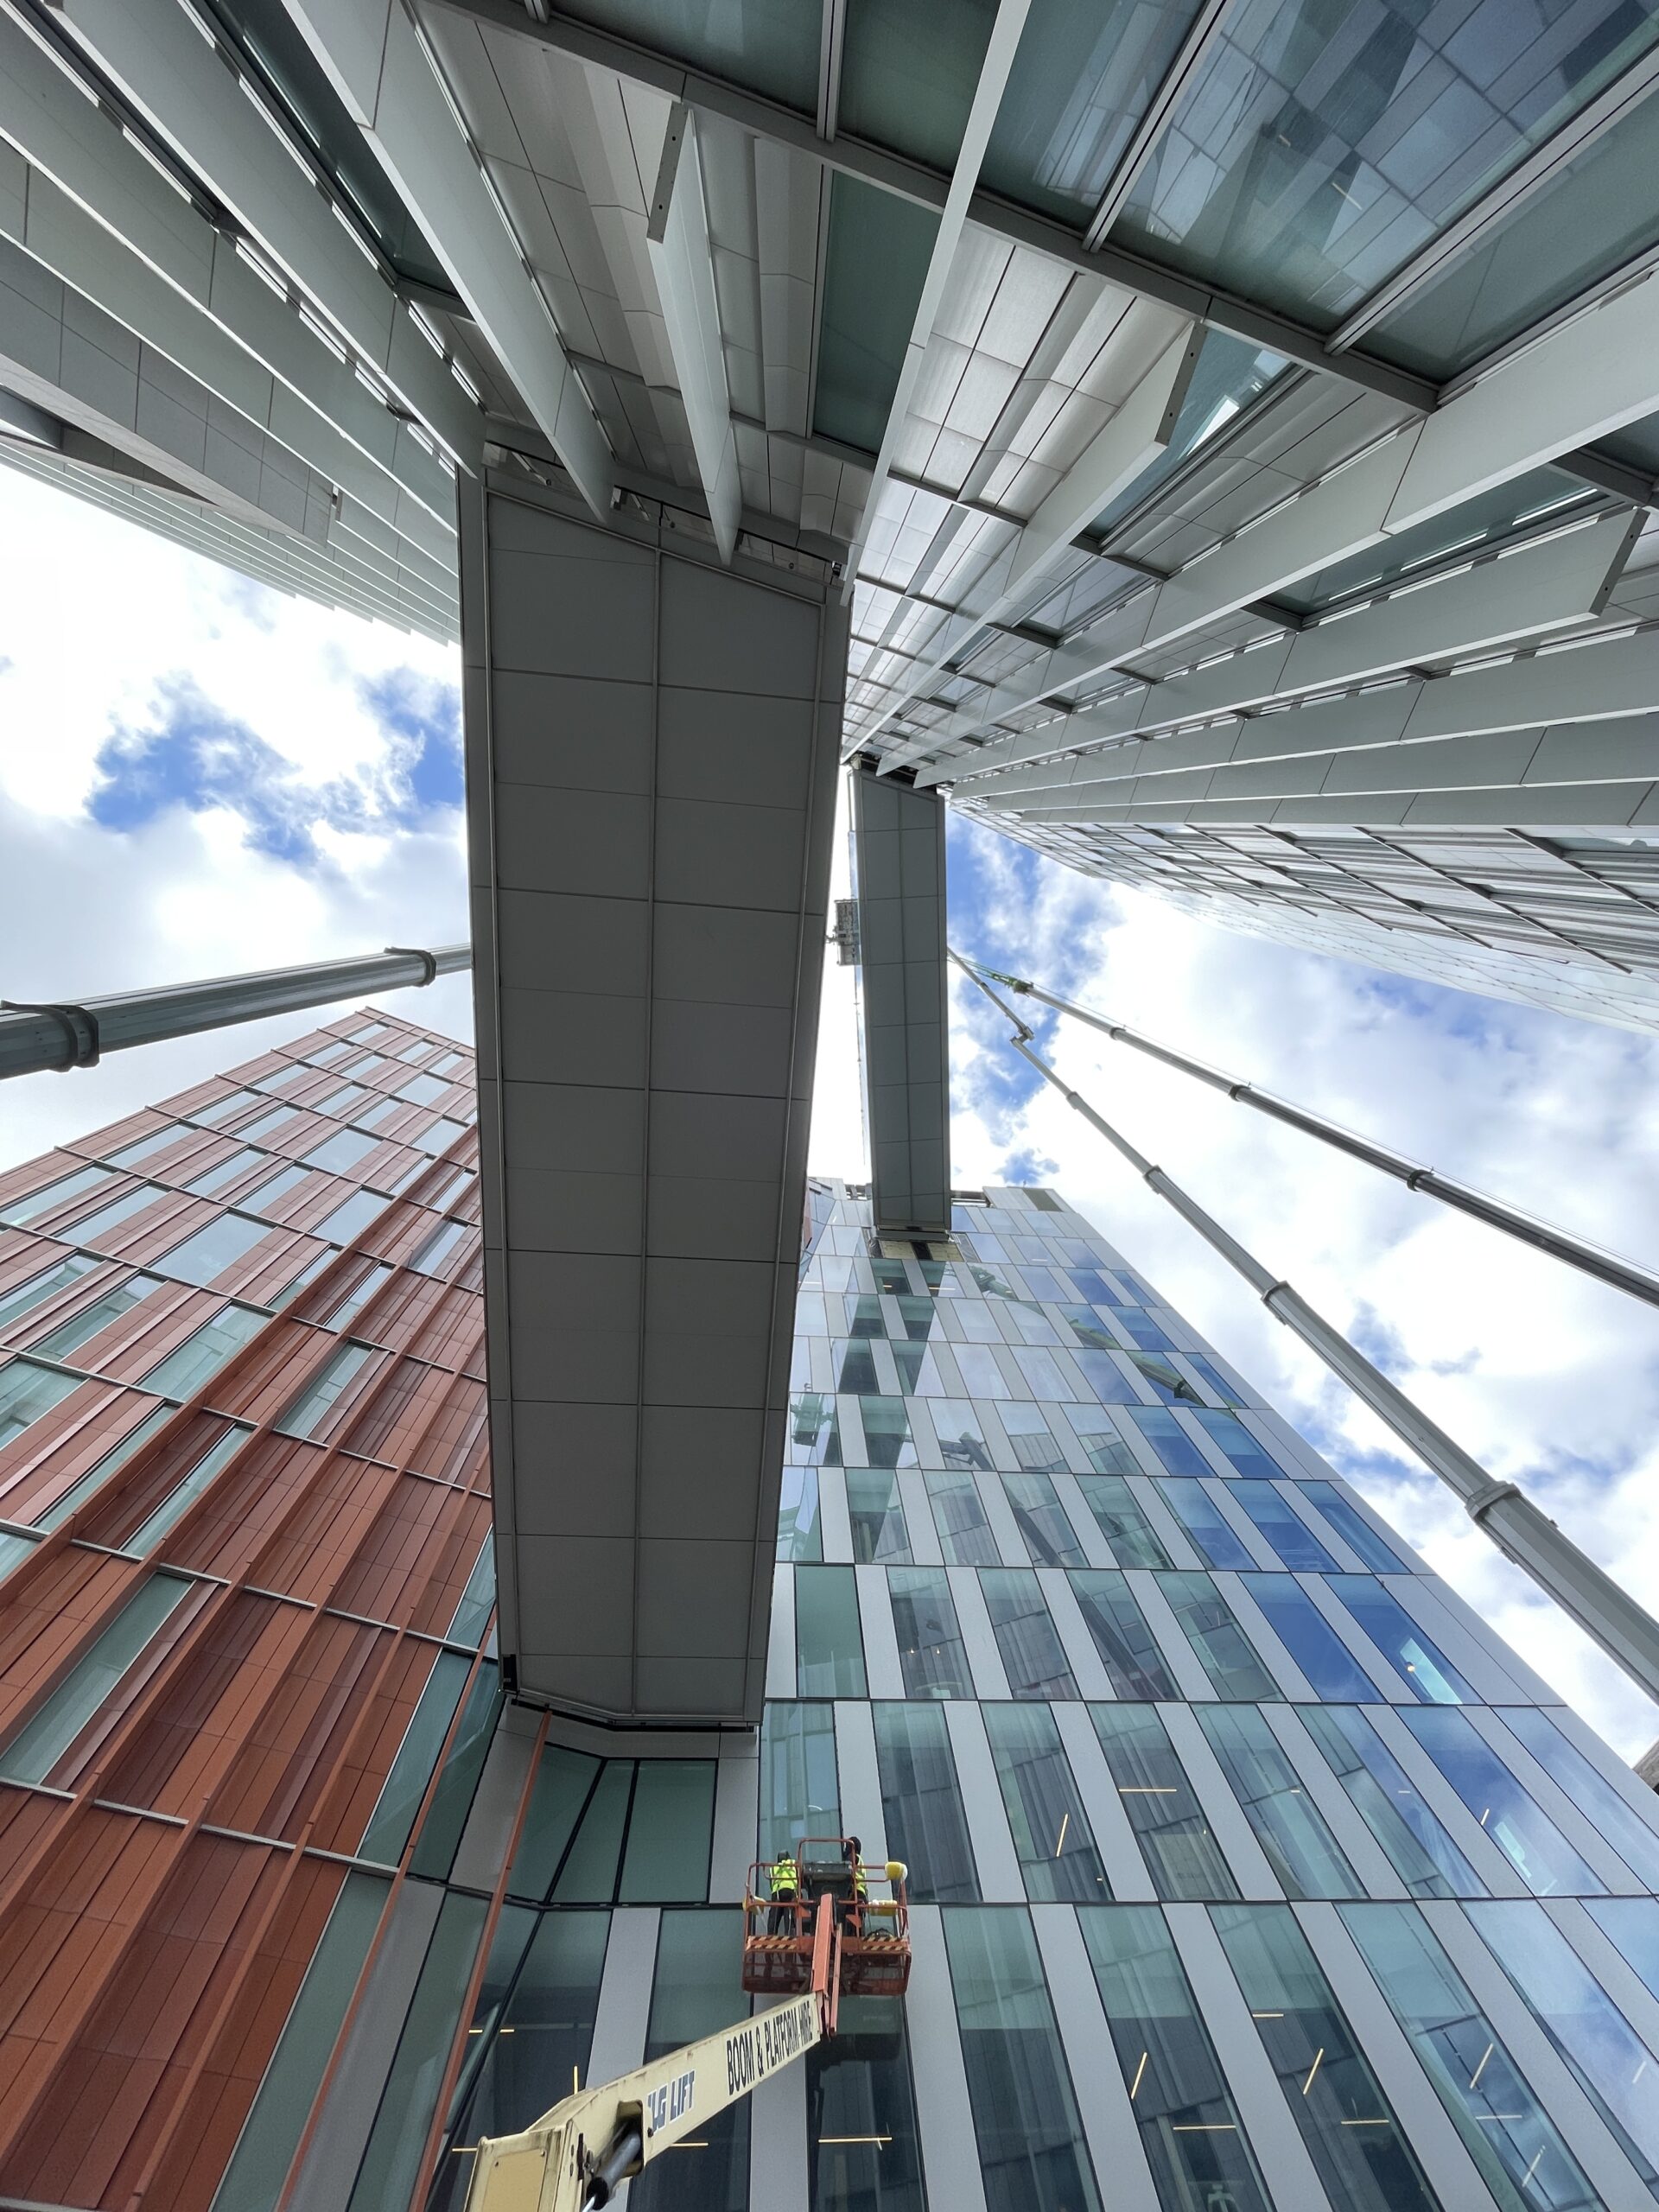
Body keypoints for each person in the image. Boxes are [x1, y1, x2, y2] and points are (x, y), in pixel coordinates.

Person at [767, 1846, 798, 1934]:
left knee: (774, 1914)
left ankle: (771, 1934)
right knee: (788, 1912)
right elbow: (799, 1878)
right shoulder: (793, 1864)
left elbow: (771, 1883)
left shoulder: (773, 1868)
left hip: (776, 1892)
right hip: (790, 1890)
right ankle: (789, 1934)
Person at [842, 1835, 867, 1931]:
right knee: (857, 1920)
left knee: (847, 1915)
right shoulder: (860, 1860)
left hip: (856, 1893)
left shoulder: (853, 1857)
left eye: (847, 1846)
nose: (846, 1849)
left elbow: (847, 1868)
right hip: (861, 1894)